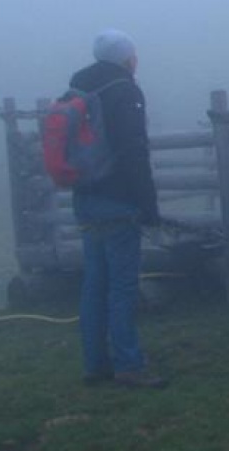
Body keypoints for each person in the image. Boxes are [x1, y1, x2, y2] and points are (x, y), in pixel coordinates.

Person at [70, 29, 166, 389]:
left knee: (94, 284)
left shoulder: (78, 89)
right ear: (127, 58)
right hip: (118, 200)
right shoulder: (124, 91)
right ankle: (128, 364)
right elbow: (133, 151)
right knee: (123, 287)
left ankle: (95, 363)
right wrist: (148, 205)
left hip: (85, 198)